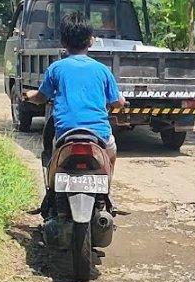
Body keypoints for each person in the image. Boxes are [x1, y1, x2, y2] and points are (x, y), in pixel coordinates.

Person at [24, 11, 126, 167]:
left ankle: (51, 184)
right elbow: (116, 102)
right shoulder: (102, 70)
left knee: (52, 156)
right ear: (91, 41)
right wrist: (122, 101)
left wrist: (30, 95)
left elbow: (41, 97)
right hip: (100, 136)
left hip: (65, 134)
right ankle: (106, 183)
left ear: (63, 42)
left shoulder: (55, 69)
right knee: (111, 152)